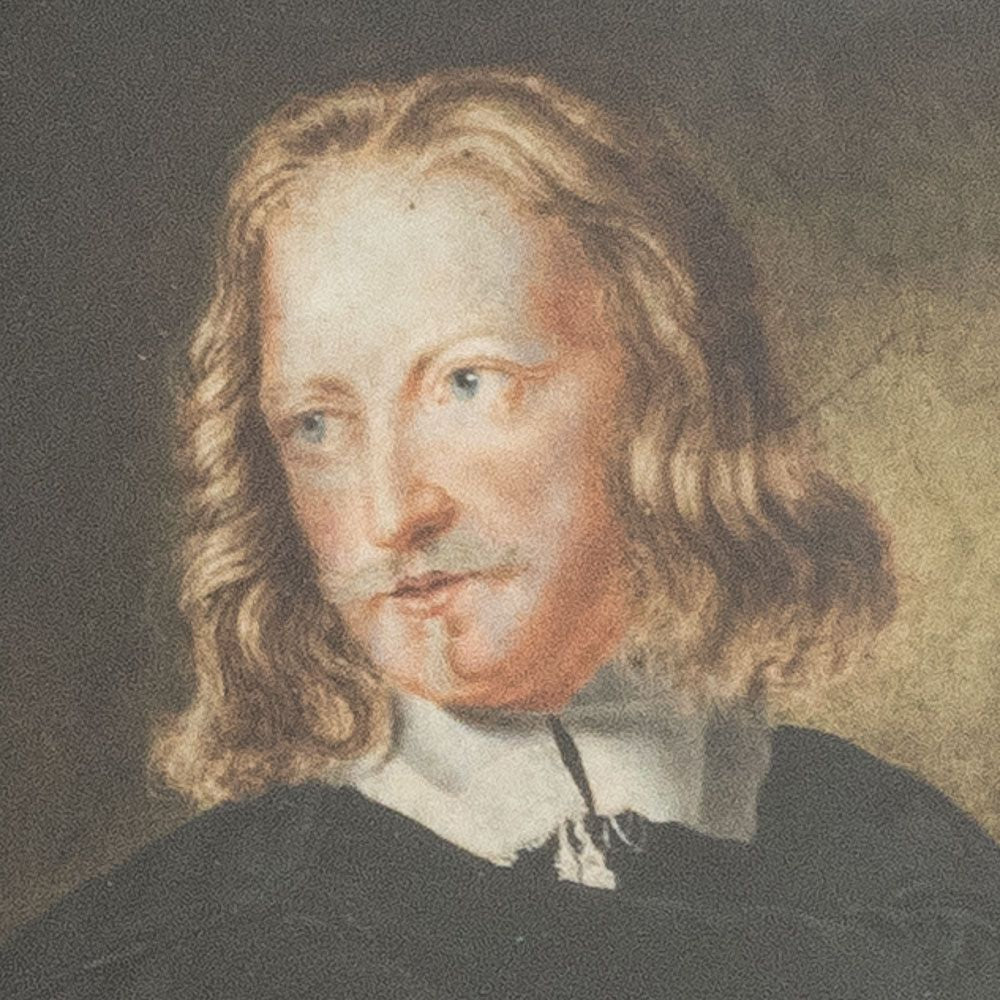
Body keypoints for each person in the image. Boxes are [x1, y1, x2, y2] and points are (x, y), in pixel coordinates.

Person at [3, 67, 998, 999]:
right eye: (317, 424)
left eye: (468, 383)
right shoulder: (181, 945)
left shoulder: (896, 869)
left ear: (665, 383)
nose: (392, 513)